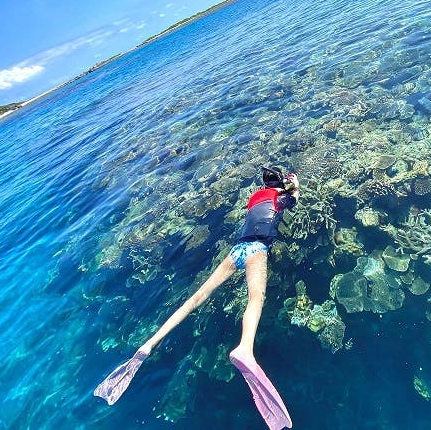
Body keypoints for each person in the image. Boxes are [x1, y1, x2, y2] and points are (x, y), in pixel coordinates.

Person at [94, 166, 300, 418]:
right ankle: (245, 348)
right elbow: (293, 198)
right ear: (280, 184)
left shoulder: (255, 197)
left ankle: (149, 344)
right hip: (257, 248)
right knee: (256, 298)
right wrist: (295, 184)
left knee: (195, 299)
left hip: (237, 249)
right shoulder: (281, 197)